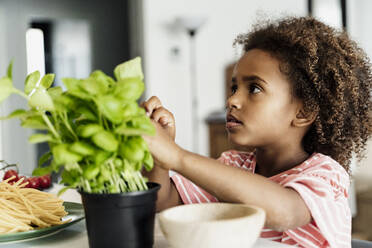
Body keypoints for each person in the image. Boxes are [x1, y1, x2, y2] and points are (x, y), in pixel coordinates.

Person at [141, 16, 372, 247]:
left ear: (303, 112)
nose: (232, 100)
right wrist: (160, 160)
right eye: (234, 87)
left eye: (254, 88)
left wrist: (178, 156)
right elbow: (163, 204)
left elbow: (284, 213)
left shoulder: (326, 176)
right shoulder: (232, 166)